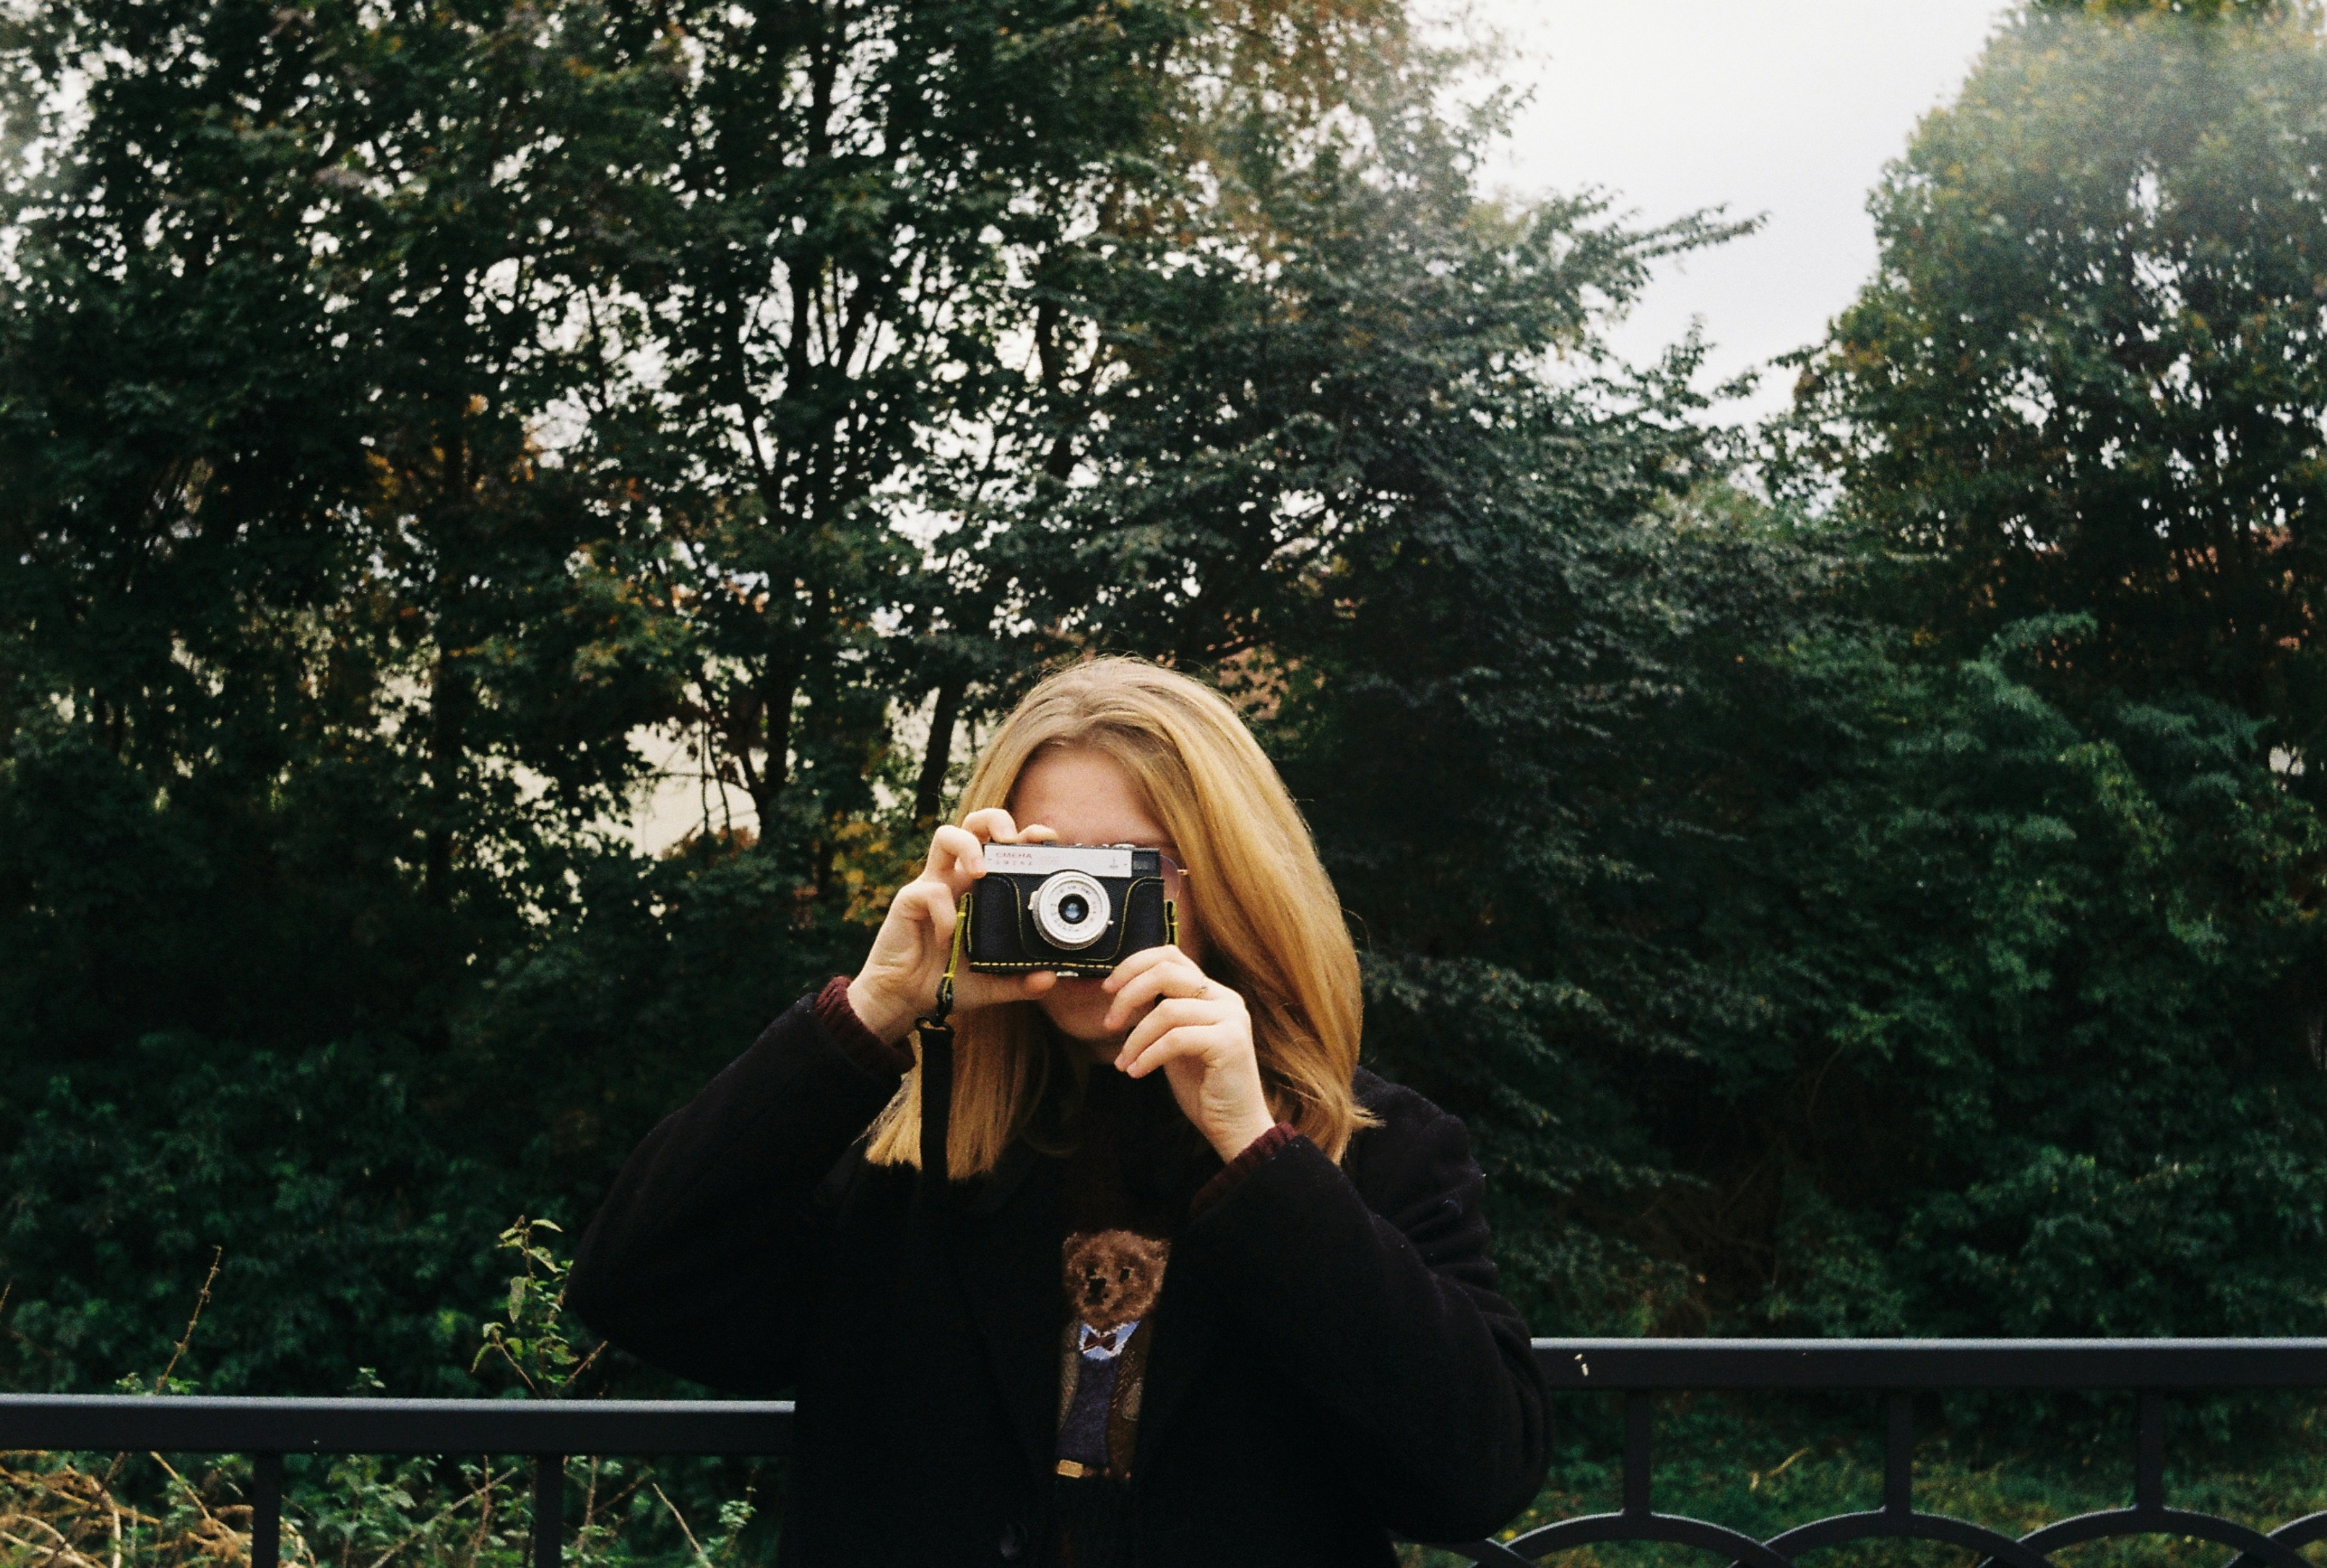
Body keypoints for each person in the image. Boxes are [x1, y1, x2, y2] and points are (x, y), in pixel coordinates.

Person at [565, 657, 1552, 1567]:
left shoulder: (1371, 1149)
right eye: (1046, 866)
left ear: (1234, 883)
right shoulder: (909, 1149)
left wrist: (1257, 1151)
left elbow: (1475, 1476)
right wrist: (870, 1014)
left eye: (1135, 865)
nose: (1081, 904)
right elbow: (636, 1285)